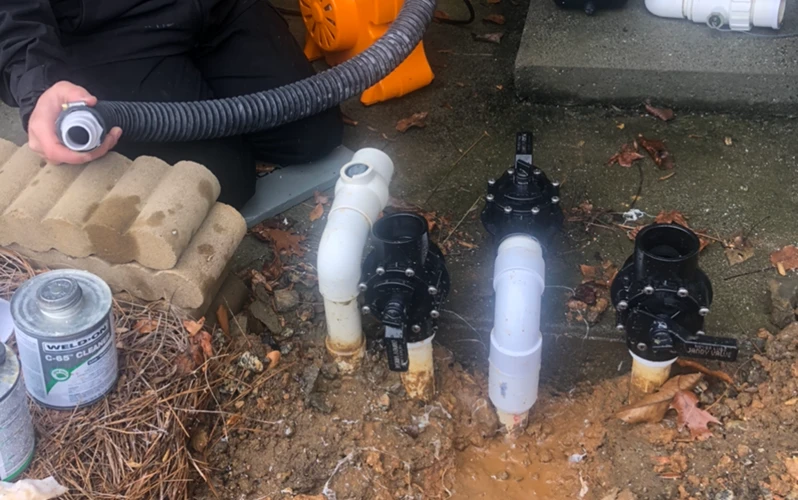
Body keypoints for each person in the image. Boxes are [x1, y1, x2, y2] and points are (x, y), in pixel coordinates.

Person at [0, 0, 343, 209]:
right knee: (217, 179)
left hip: (217, 8)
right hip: (103, 31)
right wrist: (36, 82)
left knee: (310, 135)